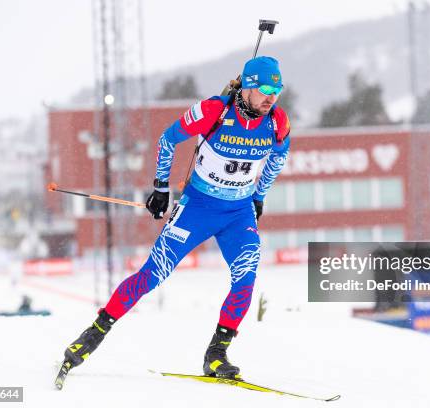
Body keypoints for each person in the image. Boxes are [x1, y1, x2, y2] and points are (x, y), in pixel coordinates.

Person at [62, 56, 291, 379]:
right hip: (197, 208)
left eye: (277, 90)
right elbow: (168, 139)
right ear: (249, 86)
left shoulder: (277, 124)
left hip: (237, 214)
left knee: (246, 278)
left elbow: (277, 160)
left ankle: (216, 355)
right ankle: (93, 334)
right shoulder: (214, 110)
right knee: (152, 274)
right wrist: (160, 187)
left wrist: (259, 196)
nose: (272, 97)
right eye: (266, 89)